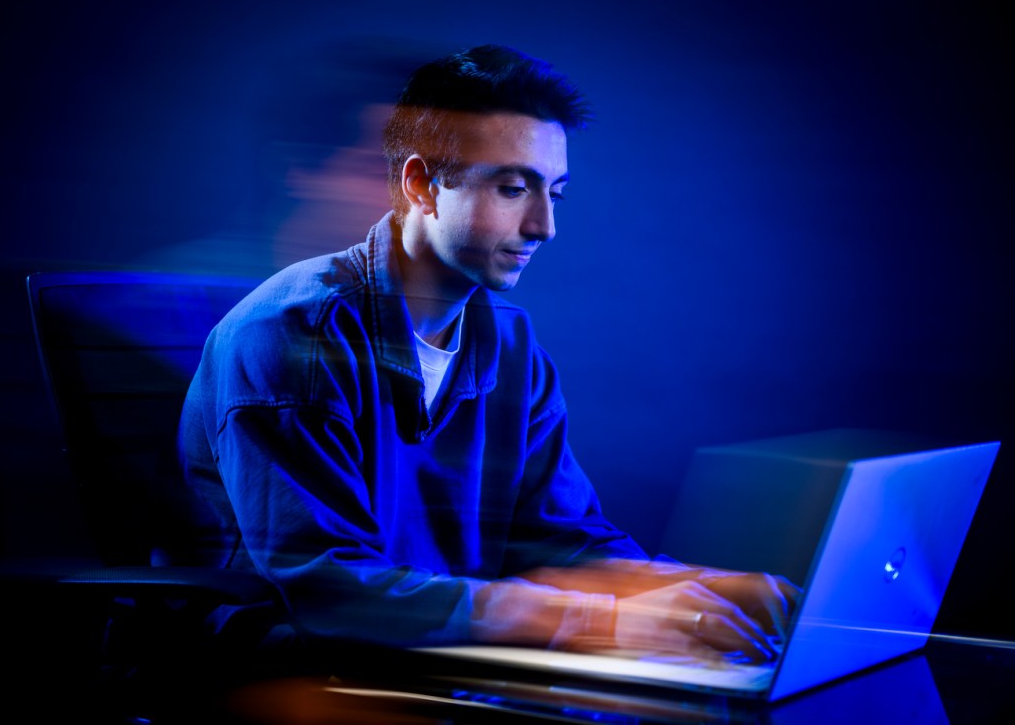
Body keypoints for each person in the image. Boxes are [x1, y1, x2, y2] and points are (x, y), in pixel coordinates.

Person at [178, 44, 797, 665]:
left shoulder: (511, 346)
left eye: (555, 192)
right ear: (420, 184)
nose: (543, 226)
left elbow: (559, 538)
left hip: (450, 660)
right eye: (512, 189)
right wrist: (602, 621)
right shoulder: (290, 334)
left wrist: (694, 588)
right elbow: (329, 591)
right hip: (292, 672)